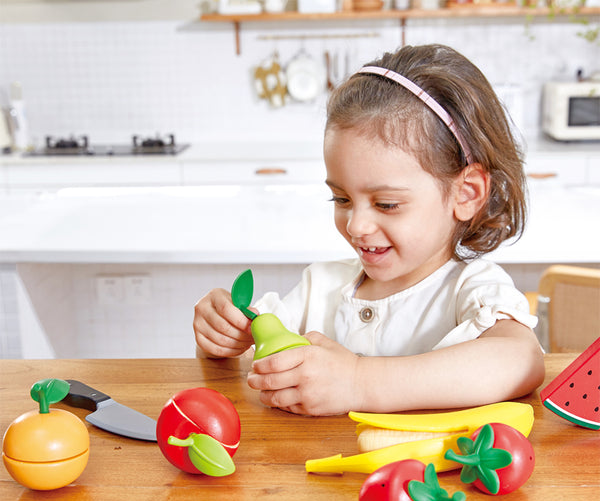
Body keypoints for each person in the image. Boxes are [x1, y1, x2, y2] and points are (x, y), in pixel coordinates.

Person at [194, 44, 545, 416]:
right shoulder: (320, 288)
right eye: (341, 199)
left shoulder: (472, 289)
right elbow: (246, 364)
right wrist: (220, 337)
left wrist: (360, 382)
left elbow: (521, 360)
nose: (356, 225)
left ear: (466, 193)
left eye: (386, 204)